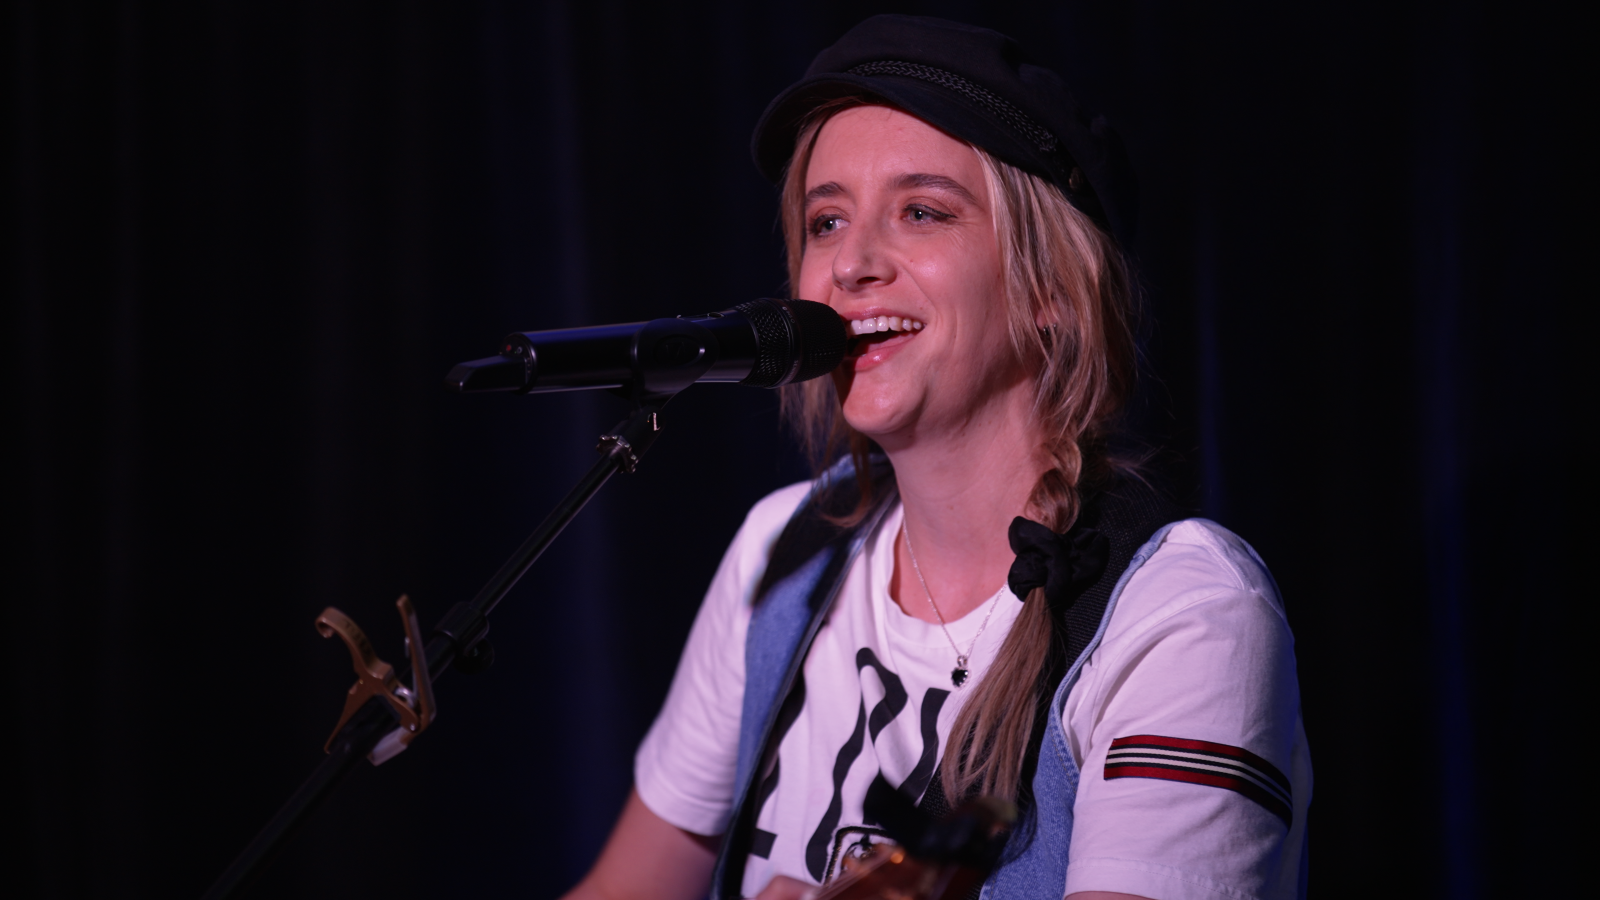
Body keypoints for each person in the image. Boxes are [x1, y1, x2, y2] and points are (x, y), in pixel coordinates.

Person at [563, 15, 1309, 900]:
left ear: (1051, 286)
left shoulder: (1185, 616)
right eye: (826, 221)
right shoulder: (783, 550)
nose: (850, 265)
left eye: (921, 211)